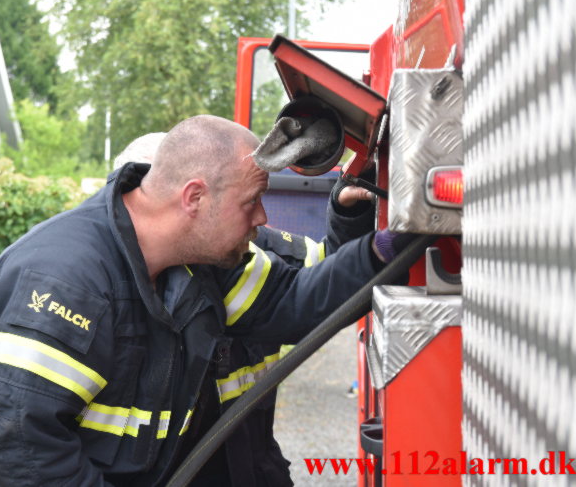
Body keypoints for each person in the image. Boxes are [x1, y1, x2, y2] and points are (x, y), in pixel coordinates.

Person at [0, 115, 398, 487]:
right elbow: (22, 446)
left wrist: (383, 250)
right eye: (251, 202)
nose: (262, 217)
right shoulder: (69, 278)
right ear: (194, 198)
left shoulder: (203, 260)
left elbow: (294, 302)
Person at [110, 132, 377, 486]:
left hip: (254, 469)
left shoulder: (248, 241)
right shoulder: (101, 284)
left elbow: (328, 281)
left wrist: (349, 212)